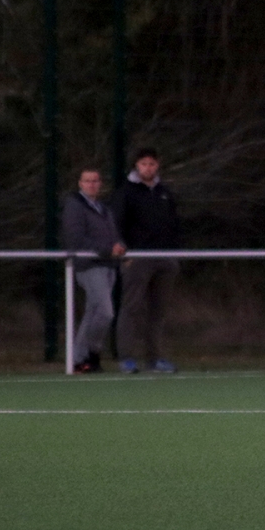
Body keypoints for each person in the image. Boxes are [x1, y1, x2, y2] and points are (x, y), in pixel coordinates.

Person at [111, 147, 181, 374]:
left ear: (157, 165)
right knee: (131, 308)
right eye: (143, 164)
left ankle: (155, 358)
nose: (148, 168)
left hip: (165, 258)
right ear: (136, 166)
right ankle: (127, 358)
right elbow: (116, 224)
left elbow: (174, 223)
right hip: (137, 258)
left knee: (158, 310)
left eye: (151, 164)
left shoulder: (164, 192)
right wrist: (125, 252)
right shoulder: (126, 192)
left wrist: (174, 252)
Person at [61, 167, 126, 373]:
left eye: (95, 181)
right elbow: (76, 239)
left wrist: (120, 246)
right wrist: (107, 250)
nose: (92, 184)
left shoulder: (103, 208)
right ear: (80, 184)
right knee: (105, 312)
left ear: (100, 184)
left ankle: (78, 359)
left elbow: (114, 235)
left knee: (93, 313)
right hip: (90, 266)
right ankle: (92, 352)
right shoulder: (74, 206)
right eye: (87, 181)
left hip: (107, 265)